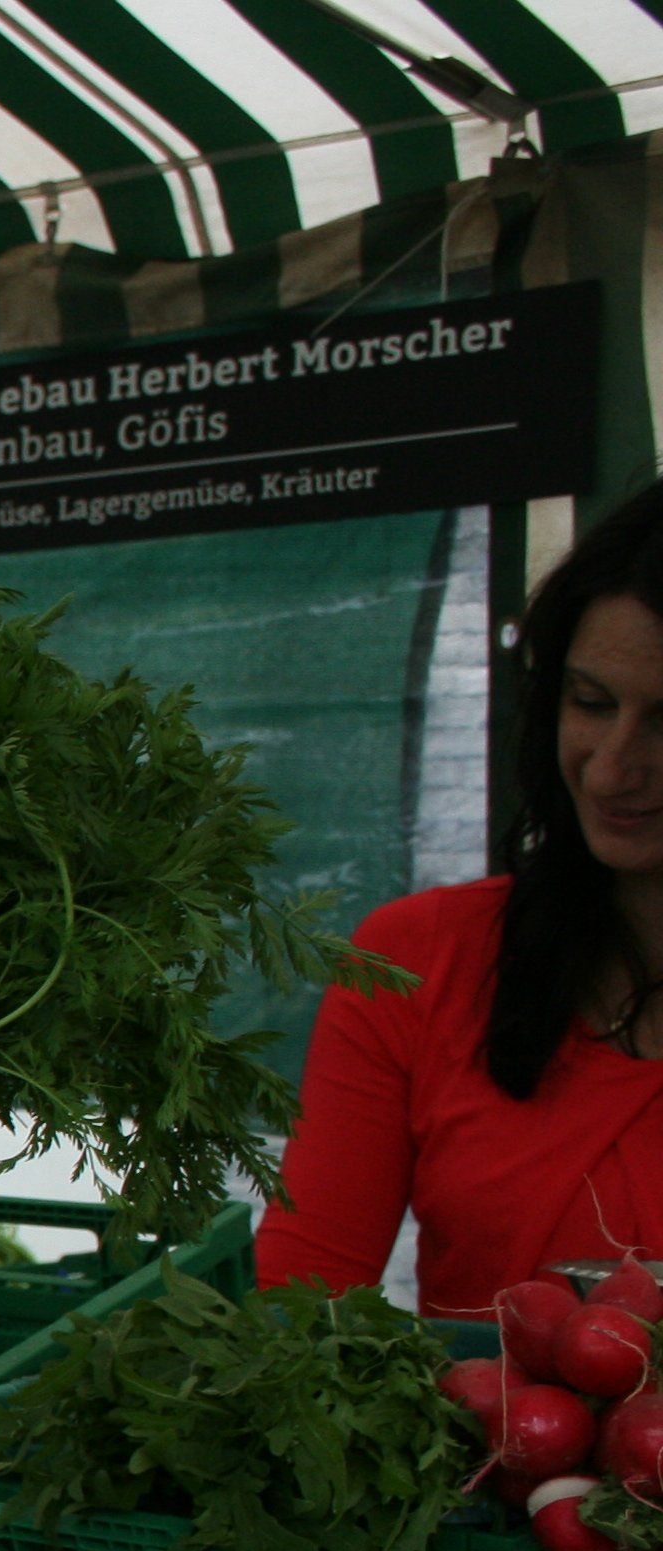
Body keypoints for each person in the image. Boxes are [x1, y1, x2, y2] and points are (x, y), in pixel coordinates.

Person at [259, 481, 663, 1314]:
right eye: (591, 703)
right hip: (470, 1409)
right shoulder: (420, 961)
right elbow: (295, 1307)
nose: (612, 769)